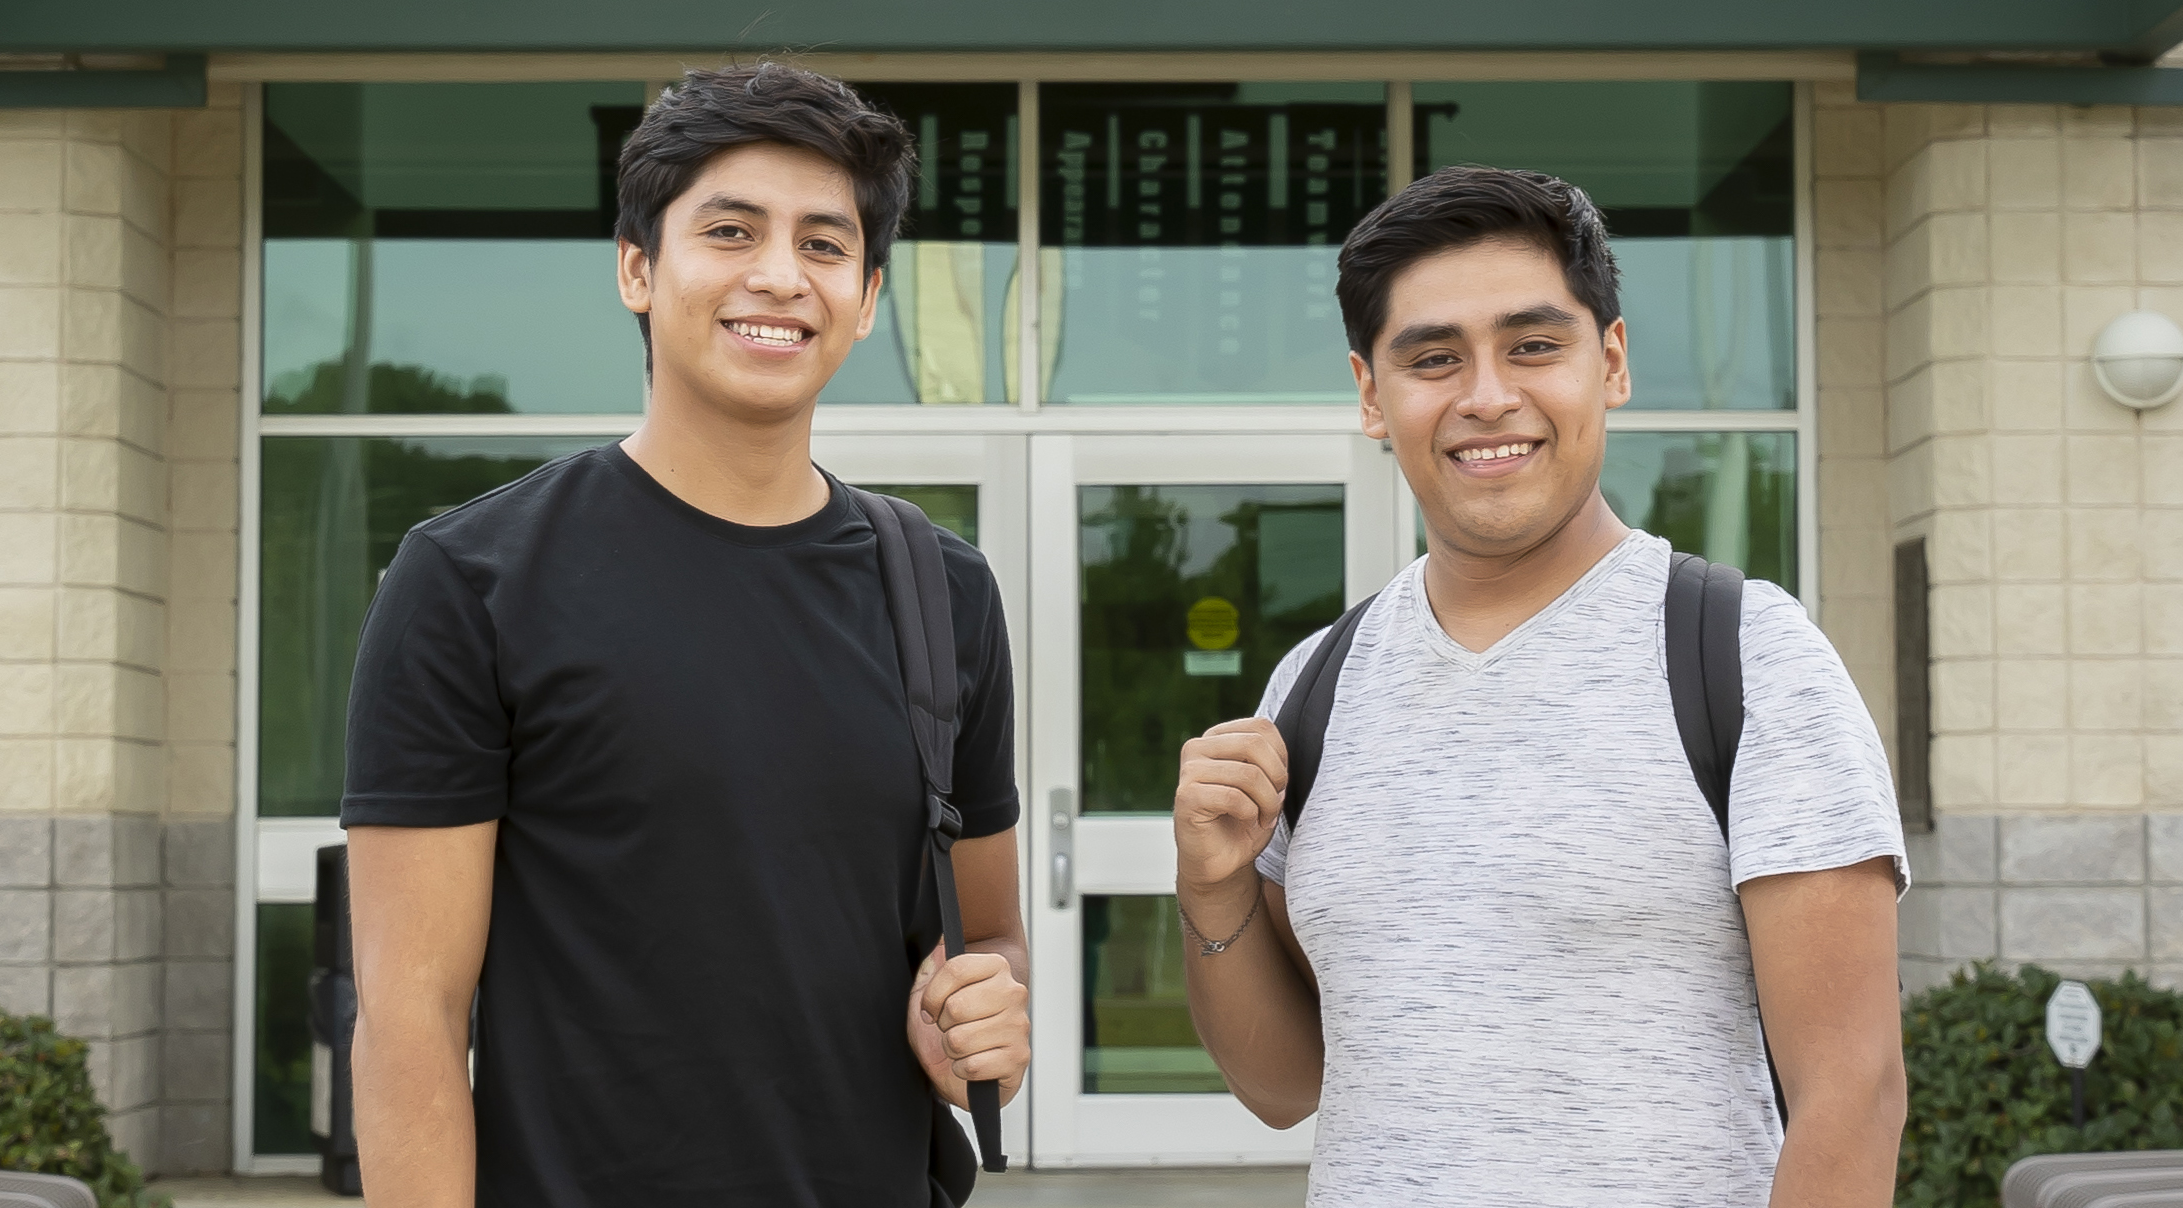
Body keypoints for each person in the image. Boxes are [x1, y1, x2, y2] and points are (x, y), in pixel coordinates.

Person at [338, 63, 1029, 1207]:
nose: (777, 275)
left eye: (822, 242)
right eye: (728, 229)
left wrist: (977, 1001)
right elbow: (408, 1016)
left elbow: (989, 929)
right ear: (636, 269)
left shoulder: (939, 588)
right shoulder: (473, 581)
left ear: (864, 297)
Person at [1172, 166, 1908, 1206]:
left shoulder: (1743, 655)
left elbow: (1851, 1090)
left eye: (1531, 345)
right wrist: (1209, 888)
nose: (1485, 395)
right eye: (1432, 358)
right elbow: (1283, 1083)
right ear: (1370, 396)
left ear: (1607, 362)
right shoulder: (1315, 685)